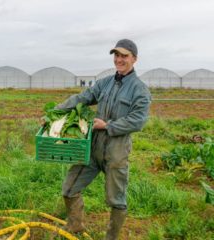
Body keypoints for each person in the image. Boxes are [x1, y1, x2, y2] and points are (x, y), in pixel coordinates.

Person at [56, 39, 151, 239]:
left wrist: (108, 126)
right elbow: (83, 98)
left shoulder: (139, 89)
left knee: (116, 199)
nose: (119, 59)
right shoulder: (105, 83)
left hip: (116, 151)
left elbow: (138, 120)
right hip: (92, 147)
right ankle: (75, 226)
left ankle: (111, 237)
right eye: (116, 55)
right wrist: (56, 112)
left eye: (124, 56)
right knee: (69, 188)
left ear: (134, 58)